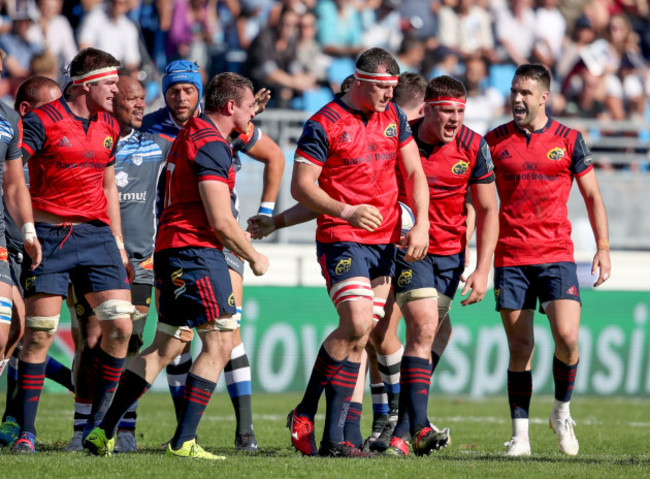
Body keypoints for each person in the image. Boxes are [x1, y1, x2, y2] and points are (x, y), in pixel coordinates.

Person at [84, 72, 269, 459]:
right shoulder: (211, 144)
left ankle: (102, 429)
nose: (254, 114)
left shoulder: (194, 133)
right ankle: (184, 441)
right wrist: (253, 256)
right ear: (231, 107)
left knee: (167, 343)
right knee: (219, 343)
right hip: (196, 252)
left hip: (168, 250)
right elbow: (219, 218)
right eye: (250, 107)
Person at [286, 47, 429, 458]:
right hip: (341, 236)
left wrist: (421, 222)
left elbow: (415, 172)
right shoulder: (323, 123)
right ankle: (305, 410)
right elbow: (302, 187)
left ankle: (335, 438)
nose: (389, 94)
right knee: (357, 322)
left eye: (392, 88)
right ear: (361, 81)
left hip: (384, 243)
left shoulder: (395, 119)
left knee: (361, 334)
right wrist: (347, 210)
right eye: (382, 87)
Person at [12, 47, 134, 454]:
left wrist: (117, 241)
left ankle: (97, 428)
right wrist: (27, 228)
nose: (118, 91)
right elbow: (12, 170)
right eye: (112, 84)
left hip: (98, 236)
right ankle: (26, 432)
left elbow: (108, 185)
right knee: (39, 336)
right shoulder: (41, 121)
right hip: (49, 236)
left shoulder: (109, 125)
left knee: (121, 328)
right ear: (87, 84)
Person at [484, 63, 611, 457]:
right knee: (520, 348)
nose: (517, 99)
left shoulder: (570, 139)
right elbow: (481, 204)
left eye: (525, 92)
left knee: (568, 339)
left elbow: (592, 196)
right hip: (511, 257)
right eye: (513, 91)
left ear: (544, 97)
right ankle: (520, 436)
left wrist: (603, 246)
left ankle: (561, 412)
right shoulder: (493, 141)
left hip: (556, 254)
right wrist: (478, 260)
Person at [380, 75, 499, 456]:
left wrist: (482, 269)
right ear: (427, 108)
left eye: (461, 112)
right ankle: (418, 427)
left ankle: (402, 431)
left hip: (451, 257)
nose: (455, 120)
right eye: (447, 111)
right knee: (425, 327)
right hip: (409, 249)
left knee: (433, 337)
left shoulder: (474, 145)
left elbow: (488, 209)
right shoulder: (402, 136)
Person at [0, 75, 66, 449]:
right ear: (26, 110)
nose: (59, 116)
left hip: (37, 246)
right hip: (8, 245)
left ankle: (13, 419)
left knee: (21, 332)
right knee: (16, 329)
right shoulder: (11, 138)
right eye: (50, 108)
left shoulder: (51, 147)